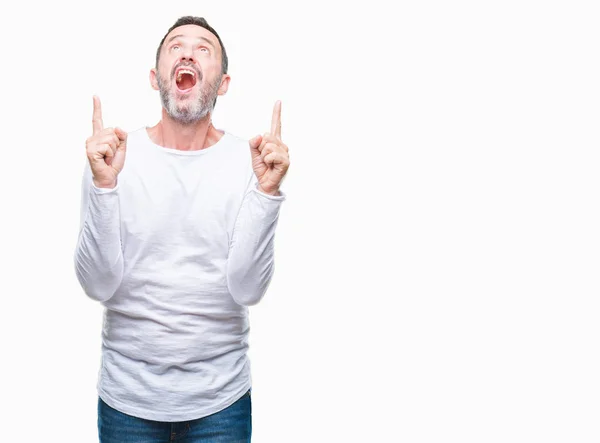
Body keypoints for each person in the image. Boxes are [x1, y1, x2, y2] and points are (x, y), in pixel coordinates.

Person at [74, 15, 290, 442]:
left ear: (223, 82)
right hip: (127, 402)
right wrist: (104, 186)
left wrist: (266, 192)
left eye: (203, 48)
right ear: (156, 78)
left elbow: (248, 291)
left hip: (221, 404)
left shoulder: (251, 163)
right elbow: (97, 285)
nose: (188, 52)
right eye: (176, 46)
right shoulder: (113, 157)